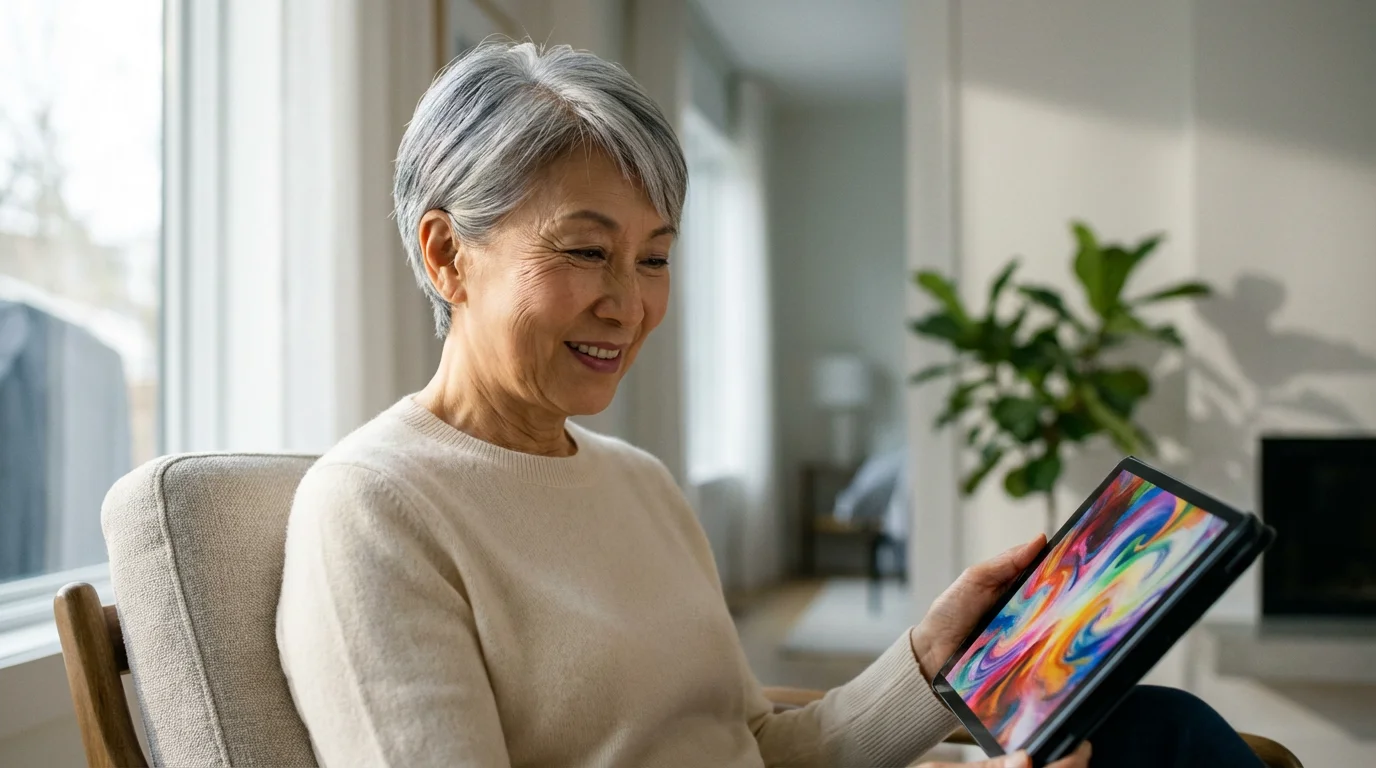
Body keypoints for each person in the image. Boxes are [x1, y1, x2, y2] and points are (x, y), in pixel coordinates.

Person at [275, 41, 1262, 768]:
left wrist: (929, 656)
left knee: (1155, 729)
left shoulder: (639, 485)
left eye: (654, 258)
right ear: (447, 254)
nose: (628, 303)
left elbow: (750, 747)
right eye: (585, 250)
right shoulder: (374, 508)